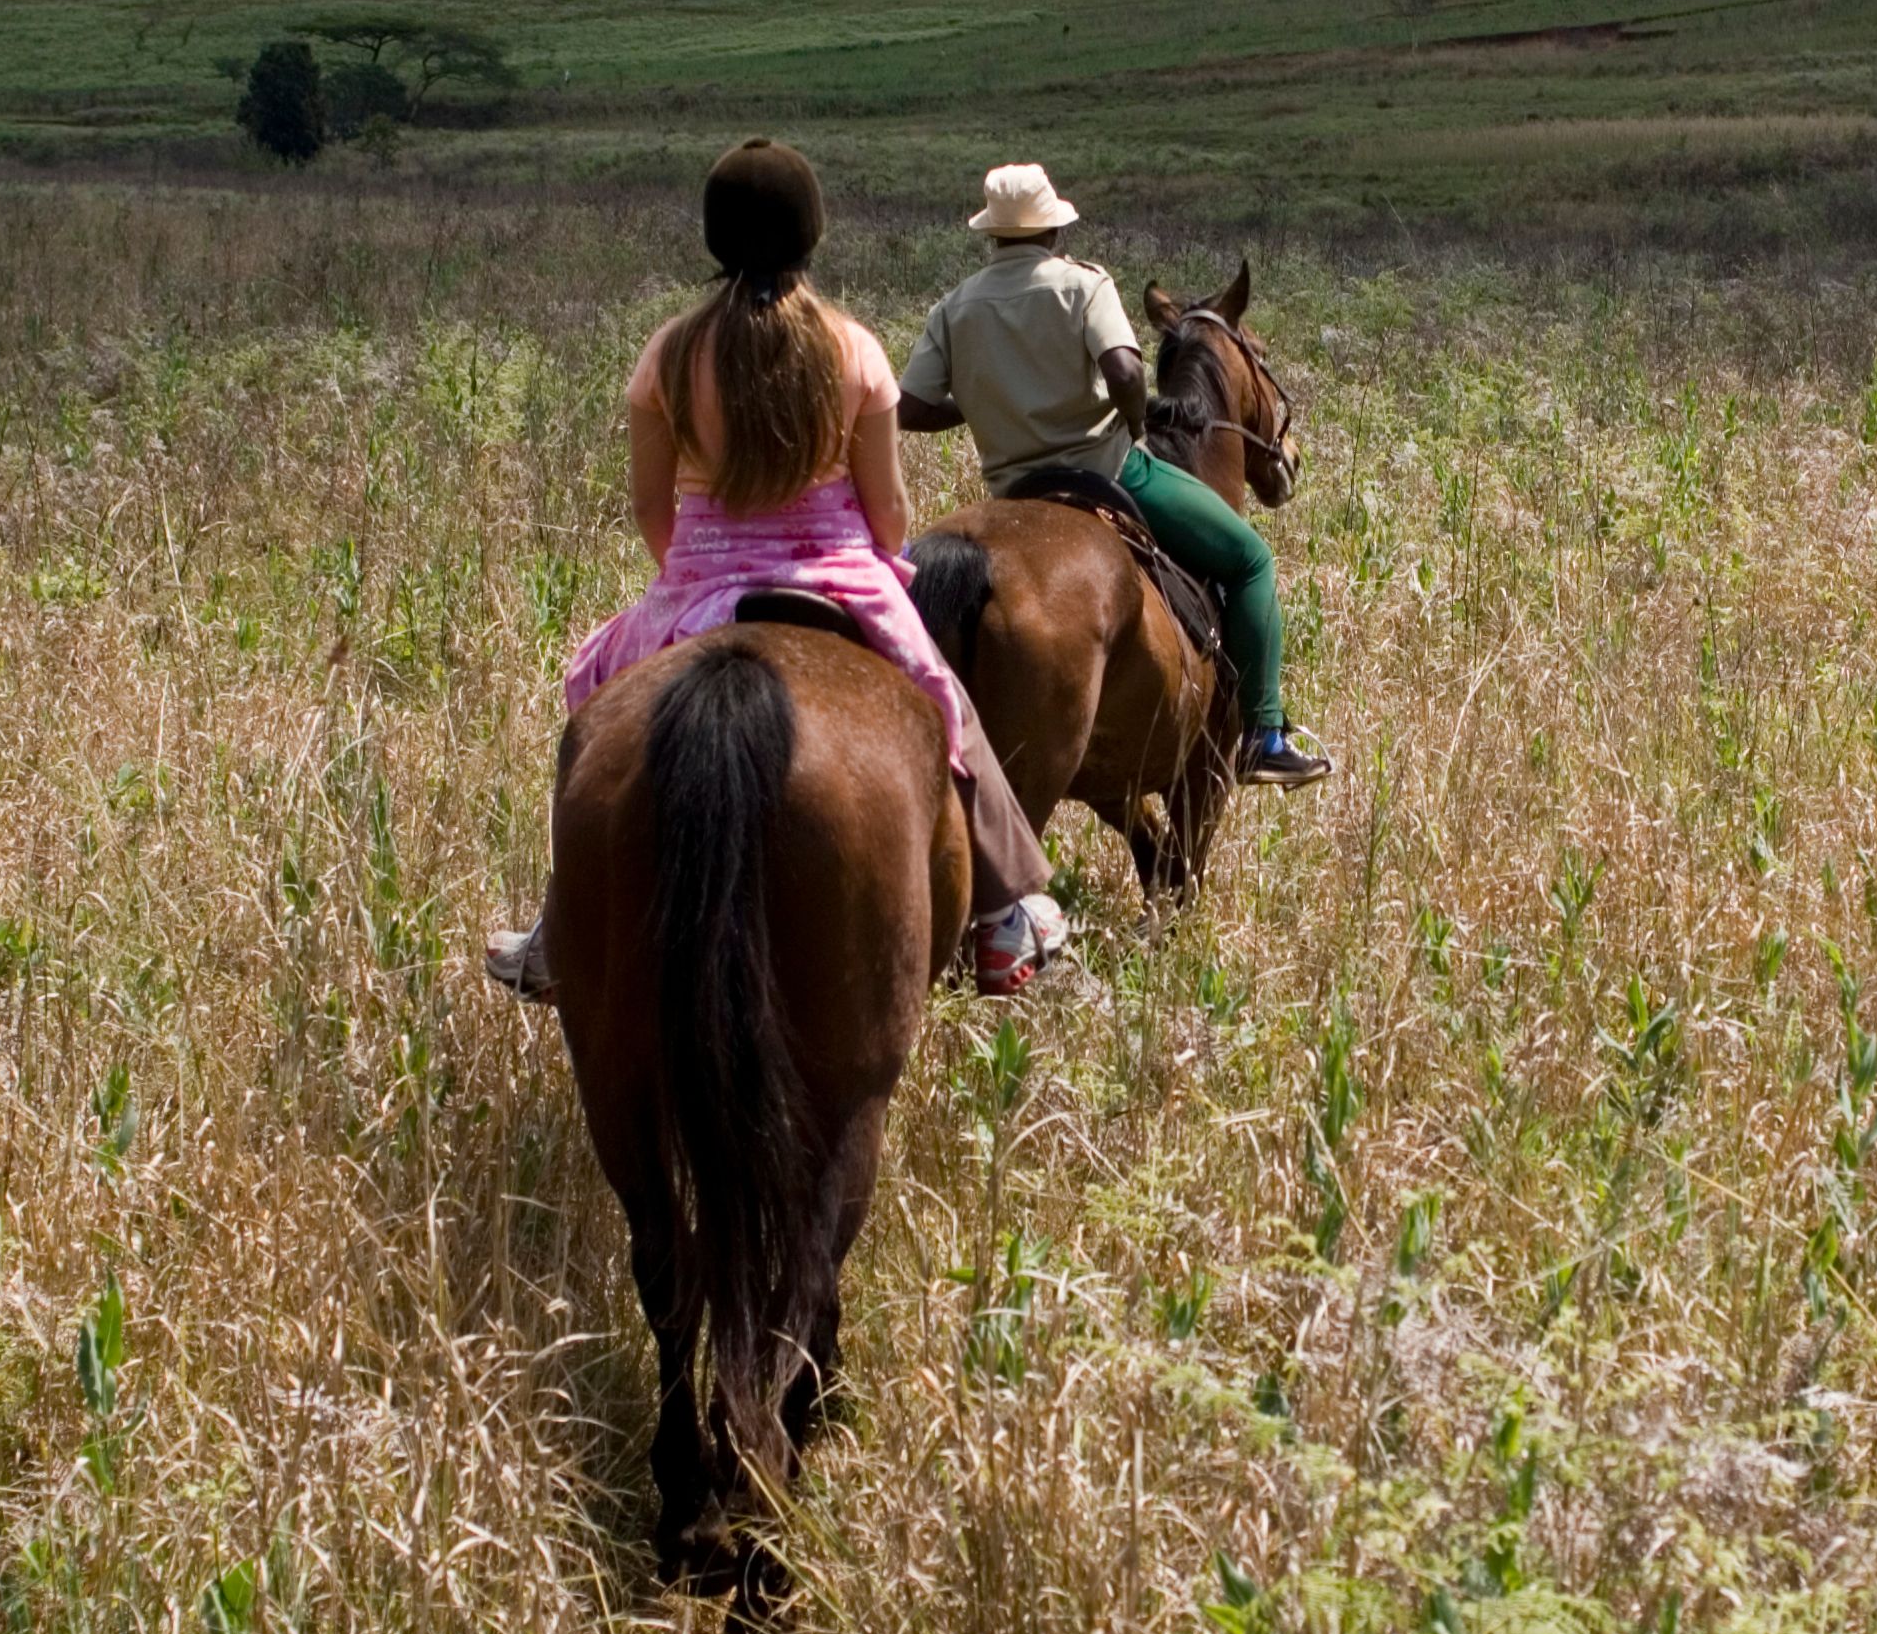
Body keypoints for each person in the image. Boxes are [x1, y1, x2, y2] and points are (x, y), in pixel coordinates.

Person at [489, 140, 1069, 998]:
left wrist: (692, 573)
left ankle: (562, 925)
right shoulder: (854, 350)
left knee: (592, 708)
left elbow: (650, 507)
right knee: (945, 707)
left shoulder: (668, 354)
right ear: (812, 234)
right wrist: (879, 561)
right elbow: (890, 510)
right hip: (841, 573)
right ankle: (1002, 917)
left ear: (714, 237)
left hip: (698, 580)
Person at [896, 164, 1332, 785]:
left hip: (1015, 491)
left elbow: (910, 408)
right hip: (1110, 471)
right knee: (1251, 560)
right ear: (1053, 228)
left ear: (991, 232)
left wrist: (982, 401)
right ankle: (1264, 736)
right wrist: (1132, 425)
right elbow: (1126, 371)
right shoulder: (1084, 284)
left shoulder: (955, 307)